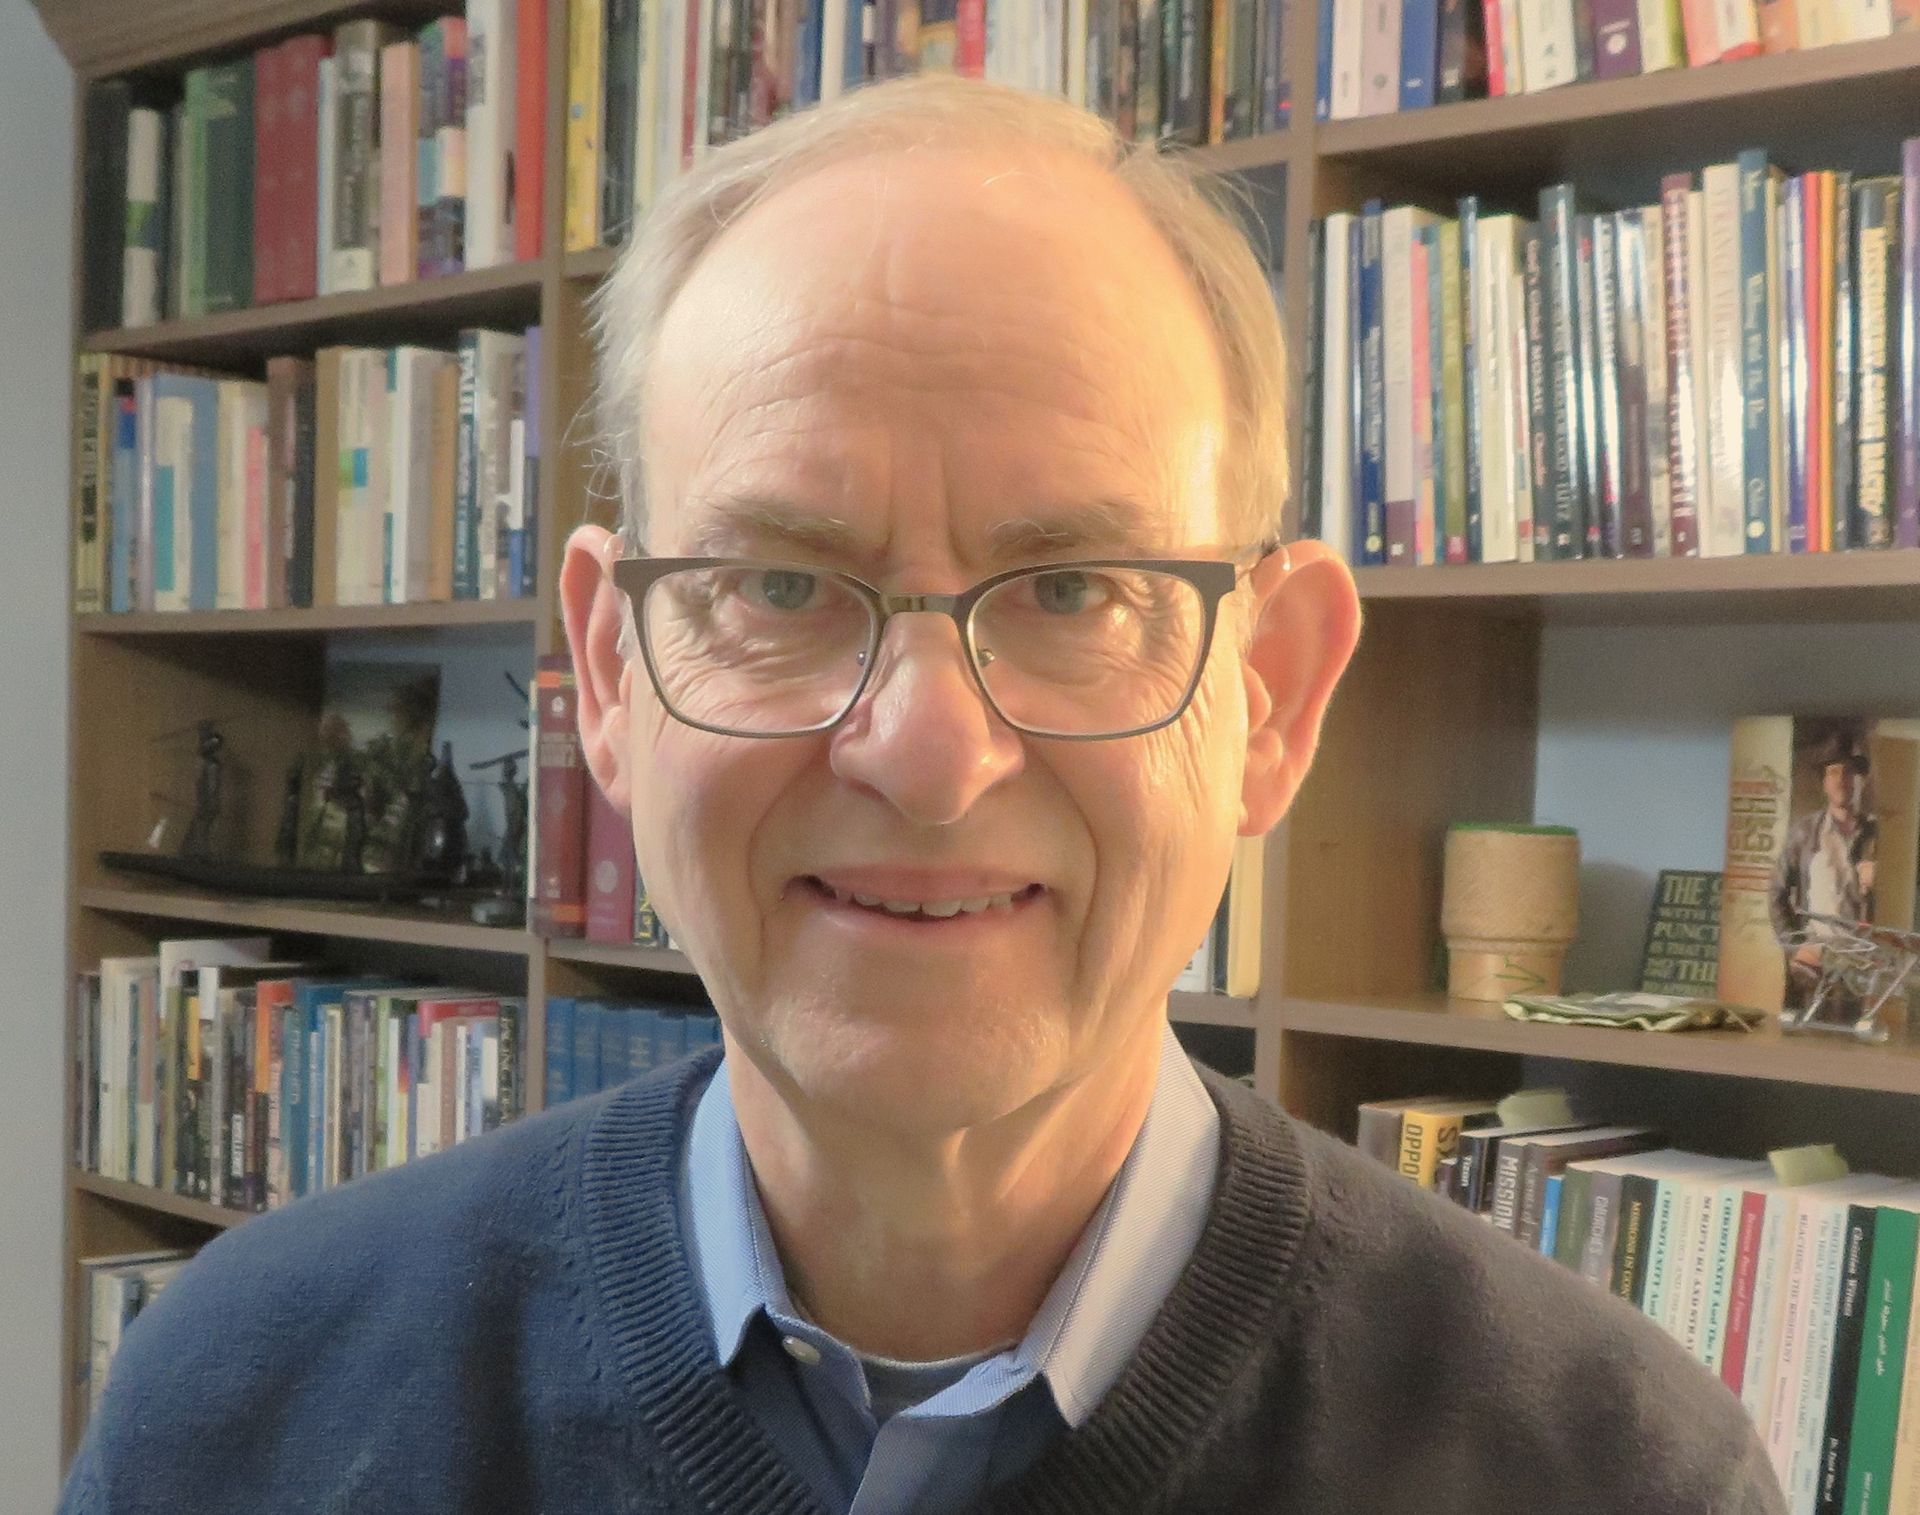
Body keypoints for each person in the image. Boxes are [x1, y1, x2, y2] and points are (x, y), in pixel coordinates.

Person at [60, 76, 1782, 1515]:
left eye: (1075, 589)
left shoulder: (1615, 1472)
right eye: (782, 586)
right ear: (605, 675)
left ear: (1269, 695)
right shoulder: (241, 1404)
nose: (928, 751)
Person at [1769, 727, 1877, 1015]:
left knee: (1851, 1044)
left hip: (1861, 967)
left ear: (1860, 781)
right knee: (1804, 1040)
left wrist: (1881, 885)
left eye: (1849, 772)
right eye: (1834, 772)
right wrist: (1794, 947)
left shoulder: (1877, 835)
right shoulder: (1805, 833)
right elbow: (1777, 893)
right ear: (1825, 783)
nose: (1842, 780)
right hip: (1814, 962)